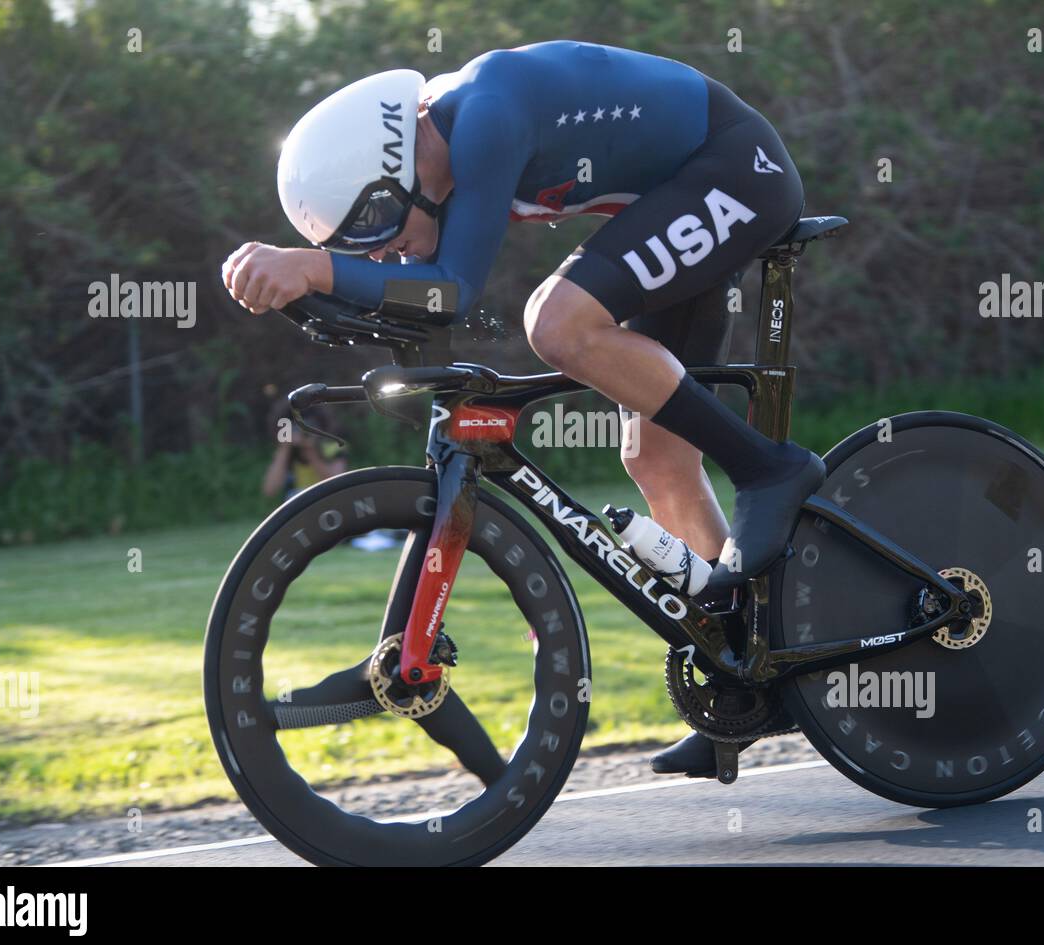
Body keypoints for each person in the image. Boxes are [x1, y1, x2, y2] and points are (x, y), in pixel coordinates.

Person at [222, 41, 826, 778]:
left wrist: (312, 266)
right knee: (656, 458)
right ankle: (743, 668)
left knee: (557, 324)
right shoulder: (450, 133)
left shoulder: (485, 114)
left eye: (376, 237)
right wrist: (318, 293)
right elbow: (426, 293)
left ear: (394, 183)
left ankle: (770, 469)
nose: (383, 261)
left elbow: (449, 289)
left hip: (737, 169)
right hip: (683, 188)